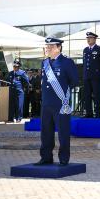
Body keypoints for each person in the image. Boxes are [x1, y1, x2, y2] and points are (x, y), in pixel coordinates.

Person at [35, 37, 78, 166]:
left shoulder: (67, 62)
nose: (47, 49)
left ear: (58, 47)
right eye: (46, 47)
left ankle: (64, 158)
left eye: (50, 46)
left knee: (63, 132)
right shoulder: (45, 63)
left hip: (60, 104)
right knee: (46, 132)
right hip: (47, 103)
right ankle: (46, 157)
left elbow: (74, 81)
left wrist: (64, 93)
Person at [82, 31, 100, 118]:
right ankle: (88, 113)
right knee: (87, 95)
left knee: (97, 95)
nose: (88, 40)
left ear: (94, 39)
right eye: (87, 38)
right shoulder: (85, 50)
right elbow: (85, 63)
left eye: (90, 38)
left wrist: (97, 70)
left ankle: (97, 113)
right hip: (87, 76)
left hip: (95, 76)